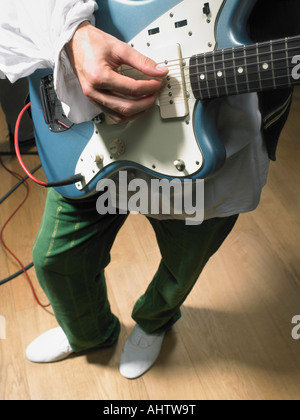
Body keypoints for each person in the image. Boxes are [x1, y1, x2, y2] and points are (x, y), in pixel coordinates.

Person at [0, 0, 298, 380]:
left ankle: (153, 323)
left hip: (217, 147)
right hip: (89, 142)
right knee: (55, 259)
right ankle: (88, 333)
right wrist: (72, 36)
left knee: (181, 269)